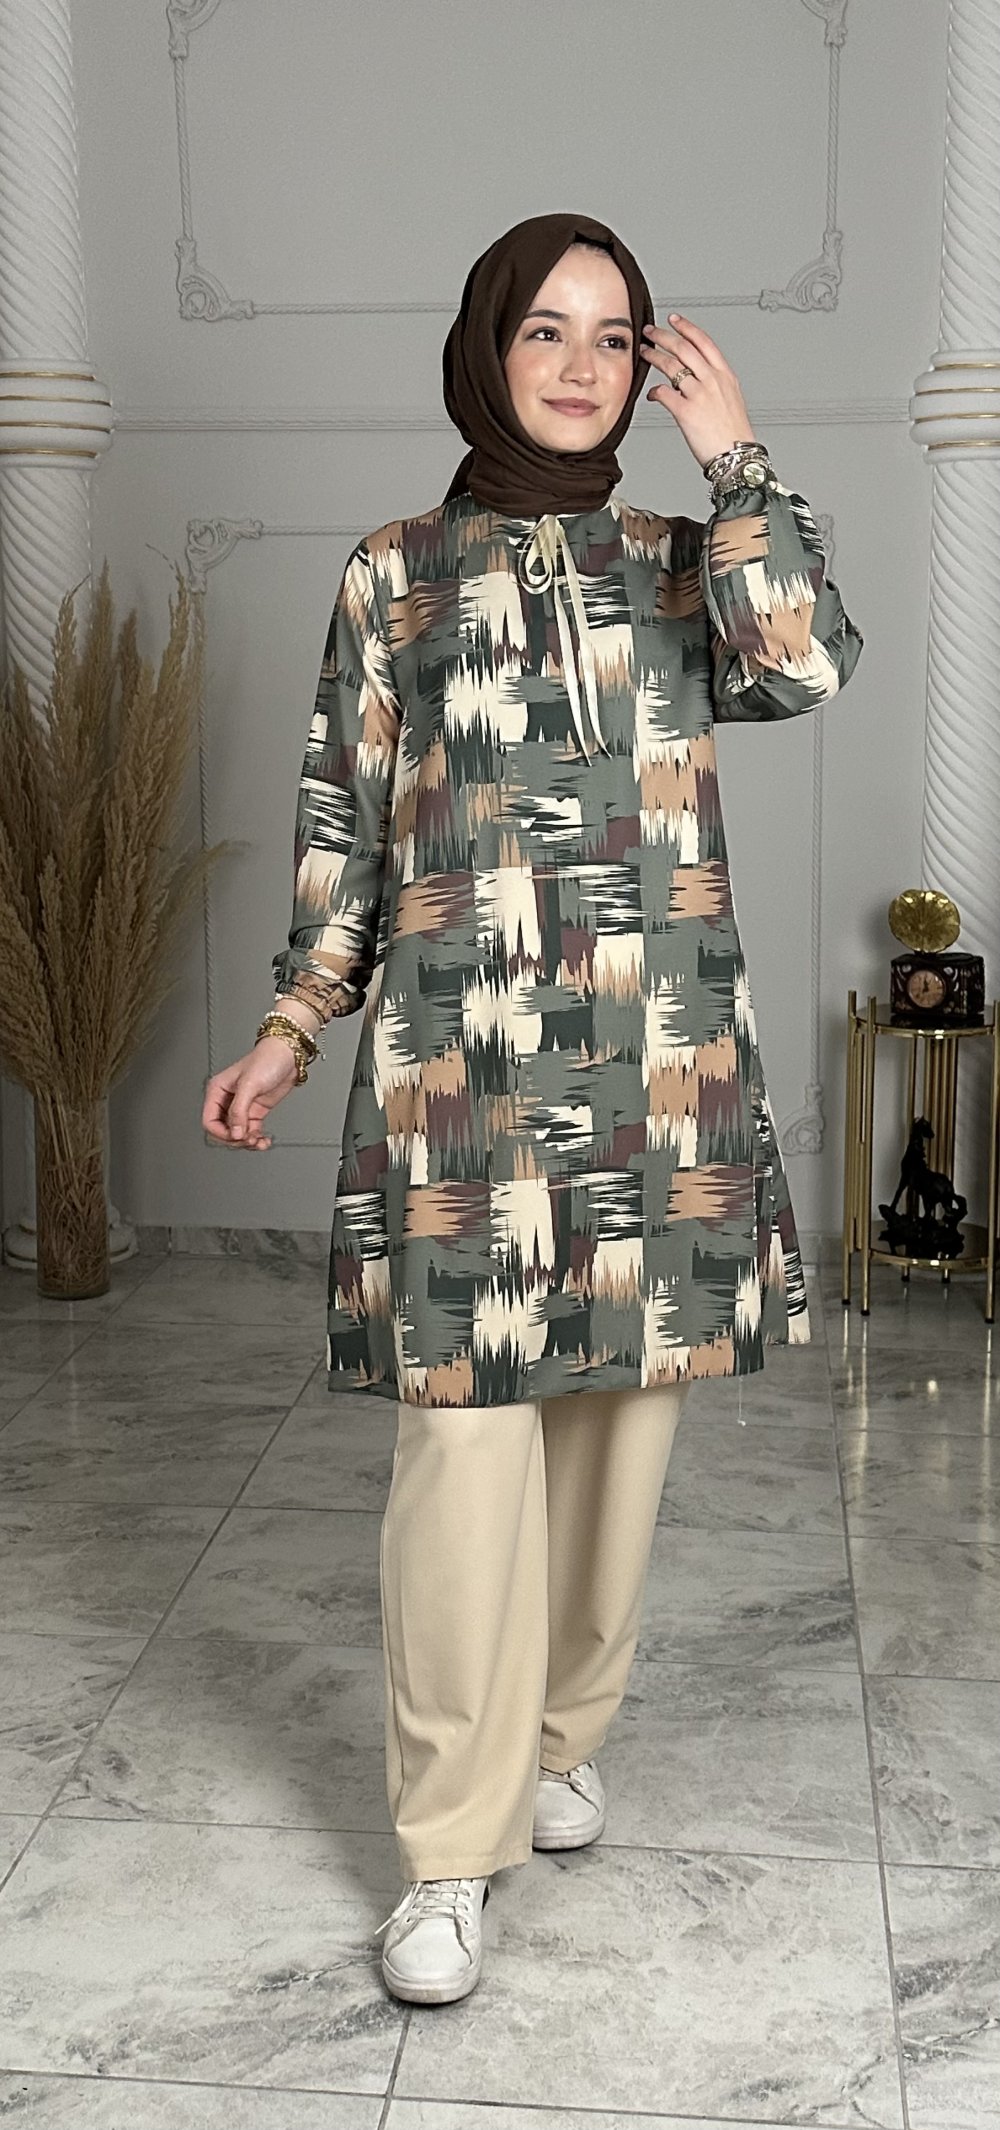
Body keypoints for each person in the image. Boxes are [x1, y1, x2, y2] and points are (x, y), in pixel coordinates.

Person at [201, 212, 864, 2008]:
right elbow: (346, 821)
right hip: (457, 1086)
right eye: (545, 330)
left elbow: (806, 663)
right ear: (487, 347)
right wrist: (290, 1024)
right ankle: (448, 1843)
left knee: (617, 1447)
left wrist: (739, 459)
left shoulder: (683, 563)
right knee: (462, 1458)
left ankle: (563, 1740)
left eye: (614, 336)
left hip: (659, 1068)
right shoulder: (394, 573)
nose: (580, 365)